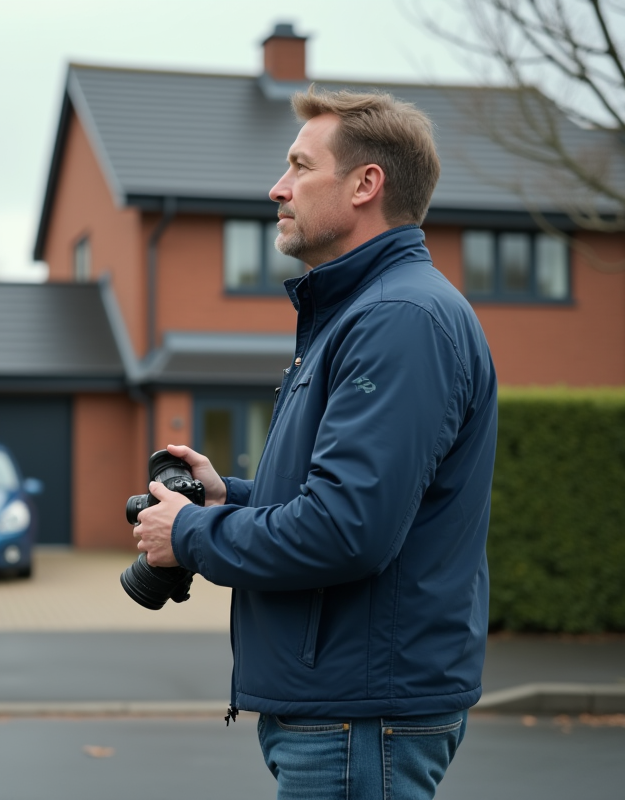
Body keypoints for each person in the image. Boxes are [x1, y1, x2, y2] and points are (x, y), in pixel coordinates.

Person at [133, 86, 498, 800]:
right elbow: (347, 500)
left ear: (366, 184)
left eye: (300, 166)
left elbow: (346, 530)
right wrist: (229, 498)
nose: (278, 188)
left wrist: (191, 534)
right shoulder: (364, 312)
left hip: (358, 718)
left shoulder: (398, 319)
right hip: (345, 708)